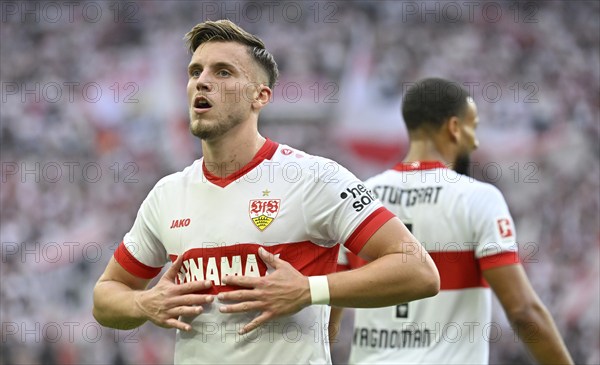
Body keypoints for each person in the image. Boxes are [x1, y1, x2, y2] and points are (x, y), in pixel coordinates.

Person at [91, 20, 440, 365]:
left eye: (223, 72)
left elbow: (418, 271)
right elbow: (106, 297)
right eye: (195, 72)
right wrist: (144, 304)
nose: (203, 82)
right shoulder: (167, 195)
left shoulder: (314, 177)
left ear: (260, 95)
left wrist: (310, 290)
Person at [332, 78, 573, 364]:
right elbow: (522, 311)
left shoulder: (361, 197)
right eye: (474, 127)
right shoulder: (479, 198)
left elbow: (328, 320)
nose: (476, 141)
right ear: (455, 128)